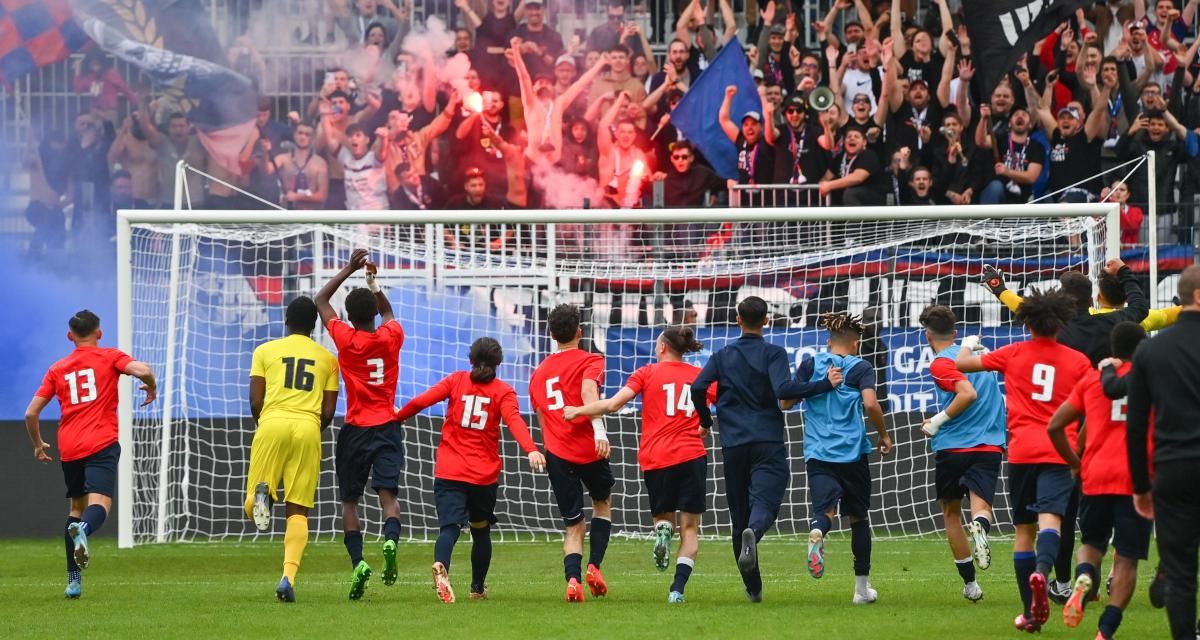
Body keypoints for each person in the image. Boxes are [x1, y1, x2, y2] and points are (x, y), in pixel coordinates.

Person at [956, 288, 1092, 632]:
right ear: (1060, 324)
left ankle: (1031, 614)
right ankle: (1043, 575)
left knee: (1023, 533)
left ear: (1027, 323)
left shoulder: (1012, 353)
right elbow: (1092, 407)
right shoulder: (1077, 361)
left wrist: (969, 343)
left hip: (1021, 454)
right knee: (1052, 524)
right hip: (1059, 452)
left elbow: (961, 364)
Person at [564, 327, 717, 604]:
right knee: (691, 528)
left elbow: (612, 405)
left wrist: (578, 410)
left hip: (656, 458)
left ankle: (663, 530)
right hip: (692, 455)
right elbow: (726, 401)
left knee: (663, 518)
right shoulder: (699, 376)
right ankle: (677, 590)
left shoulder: (647, 373)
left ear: (661, 348)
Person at [394, 337, 547, 603]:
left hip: (450, 470)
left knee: (449, 528)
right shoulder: (504, 391)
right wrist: (531, 449)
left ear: (470, 360)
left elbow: (421, 401)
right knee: (480, 530)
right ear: (499, 363)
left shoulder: (456, 380)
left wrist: (398, 416)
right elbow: (515, 422)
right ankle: (477, 589)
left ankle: (441, 565)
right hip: (482, 475)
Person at [23, 310, 157, 598]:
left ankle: (73, 581)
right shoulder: (110, 356)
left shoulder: (57, 368)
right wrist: (151, 386)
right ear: (99, 333)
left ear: (70, 336)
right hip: (101, 441)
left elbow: (31, 412)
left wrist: (37, 443)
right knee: (101, 505)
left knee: (75, 508)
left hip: (69, 447)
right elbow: (143, 371)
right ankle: (83, 529)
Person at [689, 296, 815, 602]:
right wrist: (820, 384)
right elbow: (783, 391)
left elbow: (697, 387)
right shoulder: (774, 352)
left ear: (737, 319)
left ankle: (753, 588)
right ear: (767, 321)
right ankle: (754, 534)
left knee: (738, 514)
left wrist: (706, 420)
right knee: (766, 501)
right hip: (767, 440)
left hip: (733, 445)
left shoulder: (723, 355)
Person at [1047, 321, 1150, 639]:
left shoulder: (1092, 380)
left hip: (1096, 475)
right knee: (1127, 558)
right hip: (1137, 479)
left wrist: (1075, 463)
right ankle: (1106, 630)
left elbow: (1055, 426)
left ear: (1112, 348)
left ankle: (1084, 578)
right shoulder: (1153, 380)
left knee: (1091, 544)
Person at [314, 249, 406, 600]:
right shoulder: (391, 337)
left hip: (355, 428)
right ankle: (389, 541)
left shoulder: (345, 339)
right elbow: (388, 312)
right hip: (387, 425)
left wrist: (349, 269)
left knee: (349, 503)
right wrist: (372, 281)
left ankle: (358, 564)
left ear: (349, 317)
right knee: (388, 498)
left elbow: (321, 299)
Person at [787, 312, 892, 604]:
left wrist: (815, 388)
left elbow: (785, 401)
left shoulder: (811, 364)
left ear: (829, 341)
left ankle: (818, 531)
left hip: (818, 453)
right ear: (856, 344)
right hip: (853, 453)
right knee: (858, 518)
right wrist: (883, 434)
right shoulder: (861, 367)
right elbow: (870, 403)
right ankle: (861, 590)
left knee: (826, 511)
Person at [245, 296, 339, 602]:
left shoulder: (265, 351)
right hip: (308, 428)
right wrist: (311, 427)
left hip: (272, 423)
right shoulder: (327, 359)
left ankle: (264, 495)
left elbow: (256, 400)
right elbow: (328, 411)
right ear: (315, 326)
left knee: (252, 505)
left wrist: (268, 422)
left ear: (286, 320)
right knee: (298, 509)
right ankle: (288, 577)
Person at [1127, 264, 1200, 640]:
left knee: (1181, 569)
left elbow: (1136, 425)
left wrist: (1140, 485)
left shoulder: (1151, 350)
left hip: (1173, 470)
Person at [918, 305, 1006, 603]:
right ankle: (981, 525)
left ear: (927, 334)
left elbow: (967, 395)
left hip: (953, 447)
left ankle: (970, 585)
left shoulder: (943, 362)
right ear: (954, 333)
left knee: (951, 514)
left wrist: (935, 422)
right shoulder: (980, 359)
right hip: (989, 445)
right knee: (980, 506)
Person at [529, 304, 613, 602]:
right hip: (589, 448)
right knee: (601, 504)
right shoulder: (591, 360)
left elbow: (539, 416)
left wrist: (551, 449)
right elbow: (590, 394)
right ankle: (594, 566)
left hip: (558, 455)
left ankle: (573, 580)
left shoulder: (538, 373)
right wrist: (600, 431)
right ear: (580, 331)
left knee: (573, 524)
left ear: (551, 335)